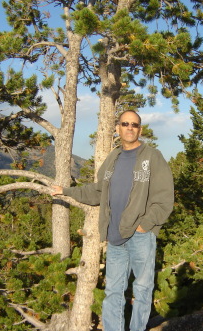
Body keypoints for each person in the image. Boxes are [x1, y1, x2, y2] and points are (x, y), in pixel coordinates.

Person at [51, 110, 174, 331]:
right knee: (113, 292)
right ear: (117, 128)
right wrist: (66, 191)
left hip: (140, 236)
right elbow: (98, 191)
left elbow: (165, 198)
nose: (129, 128)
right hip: (115, 236)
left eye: (134, 125)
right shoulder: (112, 158)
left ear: (140, 129)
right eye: (125, 123)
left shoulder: (151, 157)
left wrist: (144, 225)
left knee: (143, 289)